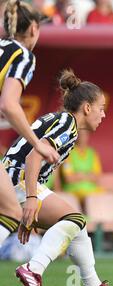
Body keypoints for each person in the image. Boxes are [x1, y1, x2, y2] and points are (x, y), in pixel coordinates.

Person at [1, 69, 113, 286]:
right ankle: (33, 269)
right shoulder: (67, 125)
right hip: (15, 178)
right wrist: (30, 199)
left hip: (12, 177)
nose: (103, 115)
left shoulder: (63, 122)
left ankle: (92, 284)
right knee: (75, 219)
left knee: (77, 226)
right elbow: (33, 157)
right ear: (87, 108)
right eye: (101, 109)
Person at [0, 0, 59, 250]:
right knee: (12, 210)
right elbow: (9, 105)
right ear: (34, 28)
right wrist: (38, 144)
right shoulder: (22, 55)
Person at [60, 130, 105, 203]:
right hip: (74, 191)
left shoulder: (92, 153)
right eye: (80, 135)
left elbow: (98, 177)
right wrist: (89, 175)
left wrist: (79, 175)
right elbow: (68, 178)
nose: (82, 137)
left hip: (92, 190)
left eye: (85, 135)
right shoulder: (68, 153)